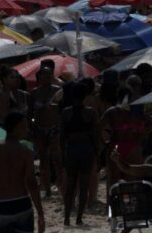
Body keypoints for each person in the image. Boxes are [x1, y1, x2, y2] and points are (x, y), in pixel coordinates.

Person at [0, 112, 45, 233]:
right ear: (16, 128)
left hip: (1, 204)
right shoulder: (25, 151)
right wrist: (40, 213)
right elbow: (31, 183)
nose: (27, 130)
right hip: (21, 203)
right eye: (24, 126)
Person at [60, 82, 98, 226]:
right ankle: (79, 218)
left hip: (72, 150)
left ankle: (67, 217)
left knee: (70, 186)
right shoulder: (91, 112)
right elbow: (95, 135)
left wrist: (63, 155)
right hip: (86, 150)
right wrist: (96, 154)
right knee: (84, 186)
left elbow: (62, 137)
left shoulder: (66, 112)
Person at [28, 66, 62, 198]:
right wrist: (30, 126)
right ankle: (47, 189)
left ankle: (60, 187)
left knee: (57, 159)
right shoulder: (34, 93)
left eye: (49, 75)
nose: (47, 77)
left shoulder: (58, 90)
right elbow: (30, 112)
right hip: (39, 128)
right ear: (39, 77)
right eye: (44, 75)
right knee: (43, 160)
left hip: (54, 127)